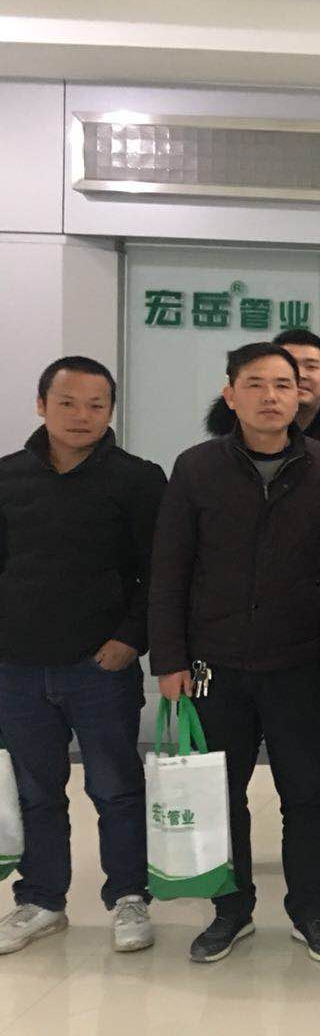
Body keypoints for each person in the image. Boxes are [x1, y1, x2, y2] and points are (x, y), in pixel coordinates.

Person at [149, 342, 320, 965]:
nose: (271, 397)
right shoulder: (196, 468)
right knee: (221, 792)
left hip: (297, 663)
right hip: (213, 663)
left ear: (302, 395)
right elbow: (170, 568)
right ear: (230, 394)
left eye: (283, 384)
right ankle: (231, 910)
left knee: (306, 793)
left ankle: (311, 910)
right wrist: (169, 658)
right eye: (255, 384)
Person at [204, 328, 320, 887]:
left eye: (311, 367)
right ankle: (228, 883)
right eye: (287, 368)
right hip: (260, 636)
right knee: (250, 764)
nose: (299, 377)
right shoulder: (215, 459)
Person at [0, 358, 166, 956]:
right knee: (36, 790)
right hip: (17, 667)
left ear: (110, 411)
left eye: (96, 405)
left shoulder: (138, 480)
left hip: (100, 667)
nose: (81, 416)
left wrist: (130, 639)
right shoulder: (6, 477)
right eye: (67, 402)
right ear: (41, 404)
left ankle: (128, 896)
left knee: (115, 788)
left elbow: (158, 573)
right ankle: (42, 899)